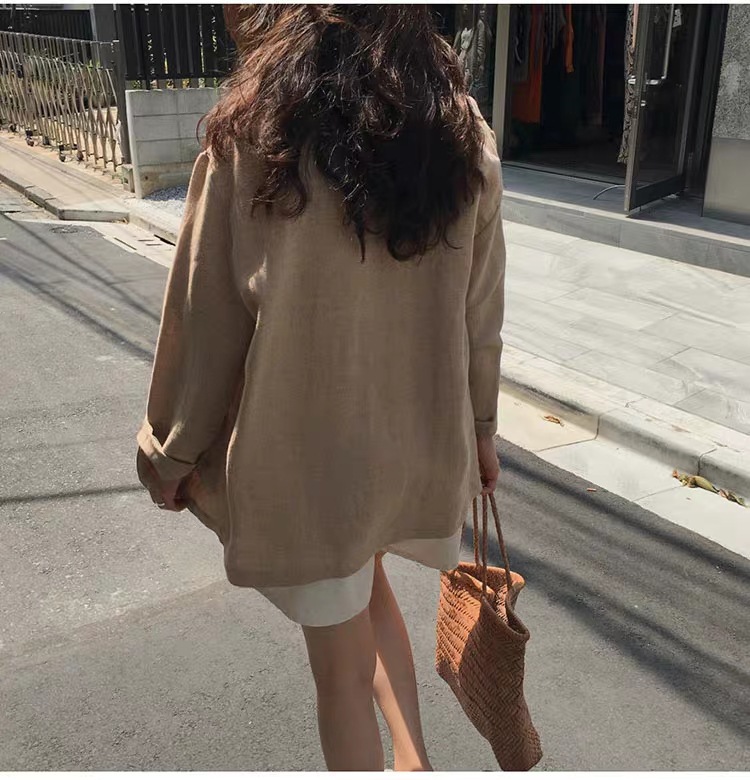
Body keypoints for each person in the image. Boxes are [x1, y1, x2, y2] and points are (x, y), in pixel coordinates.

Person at [136, 5, 505, 772]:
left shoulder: (256, 133)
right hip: (410, 449)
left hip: (309, 462)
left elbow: (205, 320)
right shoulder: (460, 129)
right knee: (369, 586)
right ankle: (414, 760)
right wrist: (481, 432)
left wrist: (169, 452)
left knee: (339, 675)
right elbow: (480, 312)